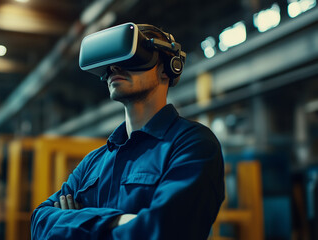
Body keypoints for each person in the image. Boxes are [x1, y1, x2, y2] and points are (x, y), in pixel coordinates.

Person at [30, 23, 225, 240]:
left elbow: (165, 230)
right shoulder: (93, 163)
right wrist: (119, 220)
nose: (113, 67)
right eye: (110, 61)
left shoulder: (192, 144)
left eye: (132, 56)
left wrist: (77, 221)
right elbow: (39, 221)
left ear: (167, 67)